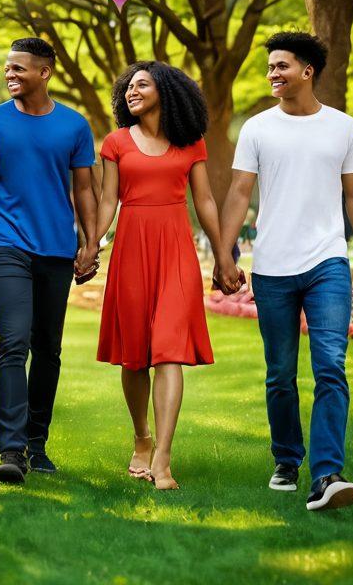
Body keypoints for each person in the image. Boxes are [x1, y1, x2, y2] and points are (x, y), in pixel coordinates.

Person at [216, 32, 353, 512]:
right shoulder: (257, 129)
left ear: (308, 71)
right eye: (270, 67)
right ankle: (287, 458)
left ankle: (328, 473)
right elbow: (240, 194)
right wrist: (225, 254)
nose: (273, 74)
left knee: (331, 366)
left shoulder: (343, 127)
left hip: (328, 260)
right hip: (272, 267)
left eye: (282, 66)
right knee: (280, 374)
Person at [0, 37, 99, 484]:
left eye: (19, 68)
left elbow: (84, 191)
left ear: (45, 72)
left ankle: (38, 443)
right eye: (7, 68)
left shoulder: (74, 126)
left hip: (57, 248)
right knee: (13, 342)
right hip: (8, 244)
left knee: (48, 349)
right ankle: (12, 449)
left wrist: (91, 242)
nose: (10, 75)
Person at [91, 62, 223, 490]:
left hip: (176, 250)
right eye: (128, 87)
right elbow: (109, 199)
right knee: (135, 355)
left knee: (168, 349)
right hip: (131, 246)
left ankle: (163, 458)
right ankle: (142, 437)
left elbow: (203, 200)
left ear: (164, 91)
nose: (132, 91)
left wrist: (224, 256)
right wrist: (91, 244)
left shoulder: (190, 143)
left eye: (141, 84)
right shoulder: (116, 142)